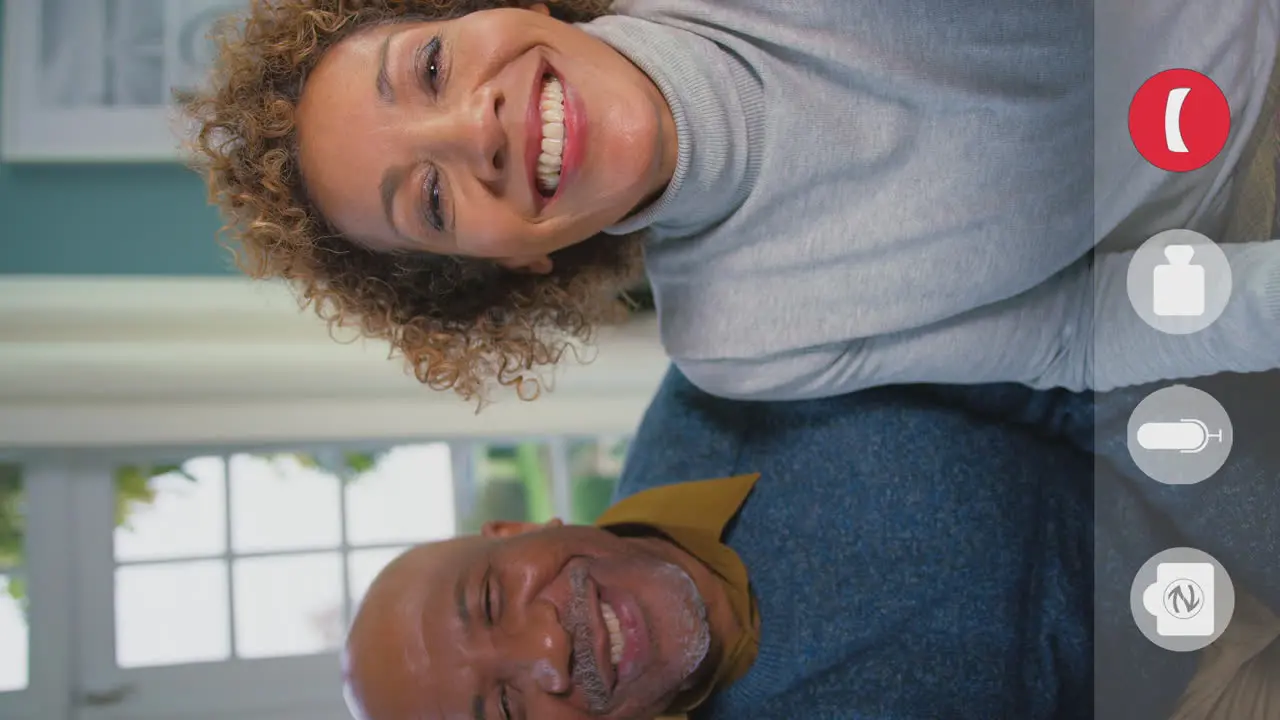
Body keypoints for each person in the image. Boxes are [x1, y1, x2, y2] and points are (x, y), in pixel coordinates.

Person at [185, 0, 1280, 404]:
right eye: (427, 198)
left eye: (426, 68)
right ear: (504, 264)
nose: (474, 127)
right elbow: (1072, 336)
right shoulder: (736, 349)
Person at [340, 368, 1280, 720]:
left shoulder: (731, 384)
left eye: (495, 600)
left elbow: (1068, 380)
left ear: (510, 532)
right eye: (501, 713)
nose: (548, 653)